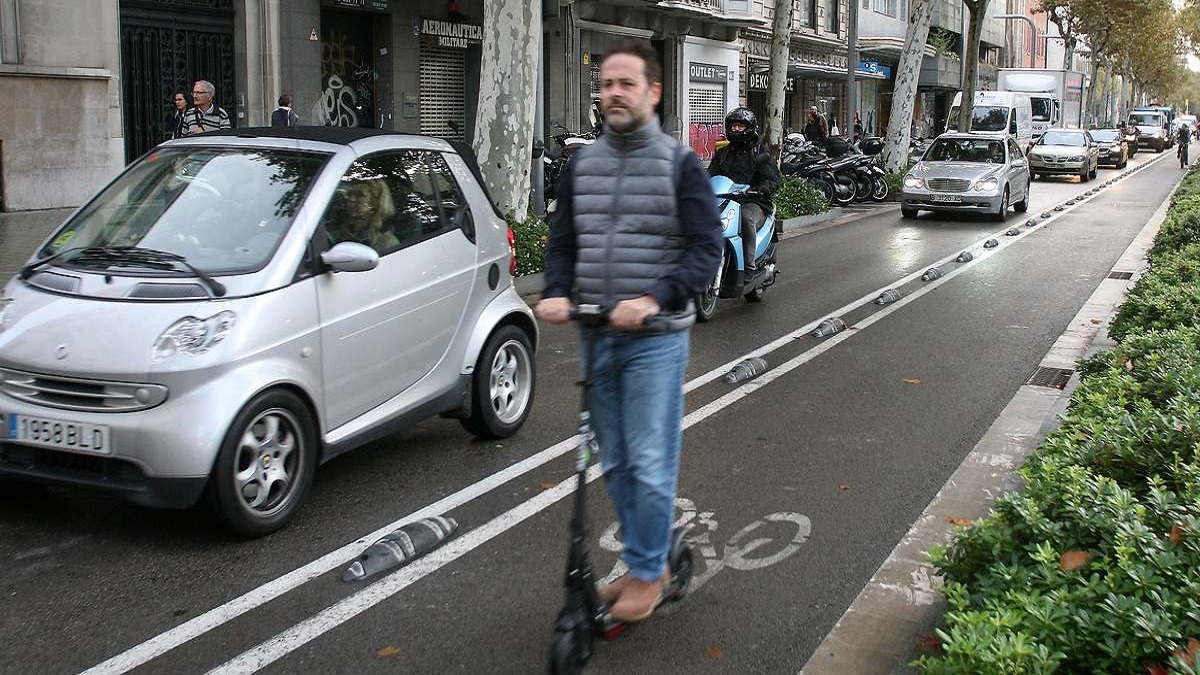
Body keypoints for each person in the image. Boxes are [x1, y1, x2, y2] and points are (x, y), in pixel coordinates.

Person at [534, 39, 722, 624]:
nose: (613, 93)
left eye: (626, 84)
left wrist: (652, 298)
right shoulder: (581, 165)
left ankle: (647, 573)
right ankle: (654, 558)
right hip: (597, 335)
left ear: (653, 92)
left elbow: (706, 249)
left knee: (646, 458)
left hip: (655, 339)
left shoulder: (679, 164)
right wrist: (557, 291)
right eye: (606, 84)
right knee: (613, 461)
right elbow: (563, 242)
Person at [708, 107, 780, 274]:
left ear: (749, 127)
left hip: (753, 201)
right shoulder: (723, 153)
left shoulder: (759, 151)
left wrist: (761, 188)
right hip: (725, 199)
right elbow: (711, 173)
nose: (736, 129)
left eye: (740, 126)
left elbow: (772, 178)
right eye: (733, 126)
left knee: (745, 218)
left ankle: (748, 265)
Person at [329, 178, 399, 252]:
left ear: (375, 203)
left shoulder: (386, 242)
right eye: (350, 194)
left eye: (360, 195)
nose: (351, 199)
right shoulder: (334, 234)